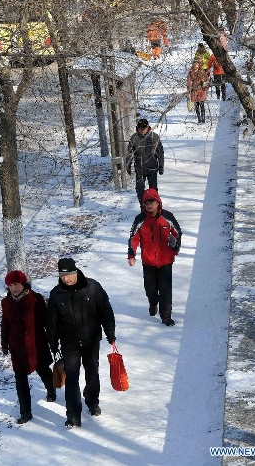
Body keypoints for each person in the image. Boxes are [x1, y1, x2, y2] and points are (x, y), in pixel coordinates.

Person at [46, 257, 116, 428]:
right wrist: (53, 344)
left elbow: (105, 310)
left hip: (91, 339)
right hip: (69, 343)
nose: (66, 279)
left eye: (69, 274)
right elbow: (51, 322)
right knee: (71, 377)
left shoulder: (92, 287)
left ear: (75, 272)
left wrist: (110, 333)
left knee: (92, 372)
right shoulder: (56, 294)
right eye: (63, 276)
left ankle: (92, 401)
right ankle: (73, 415)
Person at [1, 270, 56, 425]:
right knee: (20, 380)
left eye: (16, 284)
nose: (13, 288)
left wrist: (53, 340)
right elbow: (5, 324)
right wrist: (4, 343)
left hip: (36, 344)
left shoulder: (35, 299)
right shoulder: (5, 303)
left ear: (23, 284)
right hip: (17, 347)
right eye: (10, 285)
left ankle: (51, 390)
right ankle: (25, 412)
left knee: (44, 370)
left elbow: (46, 321)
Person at [127, 188, 182, 327]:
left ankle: (166, 316)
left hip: (165, 261)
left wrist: (175, 248)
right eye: (146, 203)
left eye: (152, 202)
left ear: (158, 203)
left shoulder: (167, 217)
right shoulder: (140, 219)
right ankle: (153, 302)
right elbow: (133, 238)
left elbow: (178, 233)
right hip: (148, 261)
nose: (149, 205)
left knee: (165, 289)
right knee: (150, 289)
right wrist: (131, 255)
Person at [126, 118, 164, 208]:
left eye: (144, 128)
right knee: (139, 190)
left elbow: (160, 152)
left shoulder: (154, 137)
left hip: (152, 168)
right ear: (137, 128)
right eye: (140, 128)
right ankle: (143, 208)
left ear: (148, 128)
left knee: (153, 191)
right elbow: (129, 153)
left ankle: (155, 208)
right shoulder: (134, 138)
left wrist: (161, 165)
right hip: (140, 169)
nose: (142, 130)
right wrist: (128, 165)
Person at [187, 59, 209, 123]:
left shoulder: (202, 72)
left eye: (197, 64)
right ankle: (199, 119)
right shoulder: (190, 72)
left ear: (199, 65)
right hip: (194, 91)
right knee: (196, 106)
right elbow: (188, 82)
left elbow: (206, 80)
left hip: (201, 90)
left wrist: (205, 86)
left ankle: (203, 119)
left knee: (202, 105)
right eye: (194, 64)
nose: (195, 65)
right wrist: (189, 91)